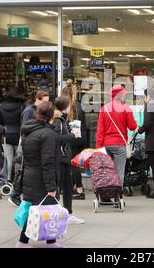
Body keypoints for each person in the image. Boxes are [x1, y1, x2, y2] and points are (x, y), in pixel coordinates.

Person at [16, 101, 62, 248]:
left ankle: (24, 241)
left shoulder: (29, 130)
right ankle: (48, 242)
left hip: (30, 174)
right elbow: (47, 162)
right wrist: (51, 186)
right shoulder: (47, 134)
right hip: (42, 178)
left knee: (35, 209)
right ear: (51, 116)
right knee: (49, 209)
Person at [8, 90, 50, 206]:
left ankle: (16, 194)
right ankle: (15, 194)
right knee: (24, 170)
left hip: (33, 143)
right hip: (28, 144)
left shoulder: (37, 110)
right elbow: (25, 128)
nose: (46, 104)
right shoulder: (29, 111)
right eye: (44, 101)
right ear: (37, 99)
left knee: (27, 171)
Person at [96, 84, 138, 184]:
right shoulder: (126, 108)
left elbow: (100, 130)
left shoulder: (104, 109)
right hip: (120, 144)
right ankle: (117, 195)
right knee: (119, 172)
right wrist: (135, 122)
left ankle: (107, 193)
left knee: (107, 171)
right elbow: (132, 126)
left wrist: (98, 147)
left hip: (106, 144)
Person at [53, 95, 85, 225]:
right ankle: (55, 213)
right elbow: (57, 139)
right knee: (59, 188)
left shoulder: (62, 120)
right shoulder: (58, 121)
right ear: (66, 107)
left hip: (64, 158)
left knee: (66, 186)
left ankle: (68, 213)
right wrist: (72, 136)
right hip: (60, 158)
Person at [61, 83, 87, 200]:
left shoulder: (65, 107)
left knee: (73, 164)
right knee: (74, 162)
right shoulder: (78, 106)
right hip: (80, 138)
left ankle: (80, 190)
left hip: (70, 138)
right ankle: (72, 187)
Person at [0, 88, 25, 181]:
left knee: (8, 159)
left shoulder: (2, 106)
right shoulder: (21, 106)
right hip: (18, 134)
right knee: (18, 158)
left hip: (6, 134)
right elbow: (23, 121)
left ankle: (8, 179)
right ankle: (17, 180)